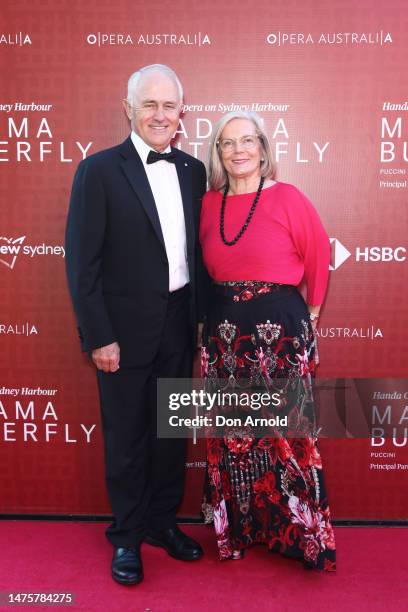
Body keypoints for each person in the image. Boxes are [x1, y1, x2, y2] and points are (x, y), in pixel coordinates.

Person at [65, 64, 207, 585]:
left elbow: (201, 254)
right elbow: (82, 266)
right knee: (126, 439)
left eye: (169, 105)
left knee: (171, 436)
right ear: (129, 110)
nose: (160, 114)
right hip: (120, 335)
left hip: (179, 324)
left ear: (181, 114)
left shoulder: (193, 171)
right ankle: (126, 536)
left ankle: (161, 524)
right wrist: (99, 335)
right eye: (149, 104)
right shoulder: (98, 171)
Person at [199, 111, 336, 571]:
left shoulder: (288, 198)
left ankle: (301, 536)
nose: (238, 150)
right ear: (217, 153)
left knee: (285, 435)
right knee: (234, 435)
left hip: (278, 332)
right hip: (223, 334)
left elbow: (318, 254)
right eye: (227, 143)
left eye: (247, 140)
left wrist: (312, 312)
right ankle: (239, 530)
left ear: (263, 146)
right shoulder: (206, 204)